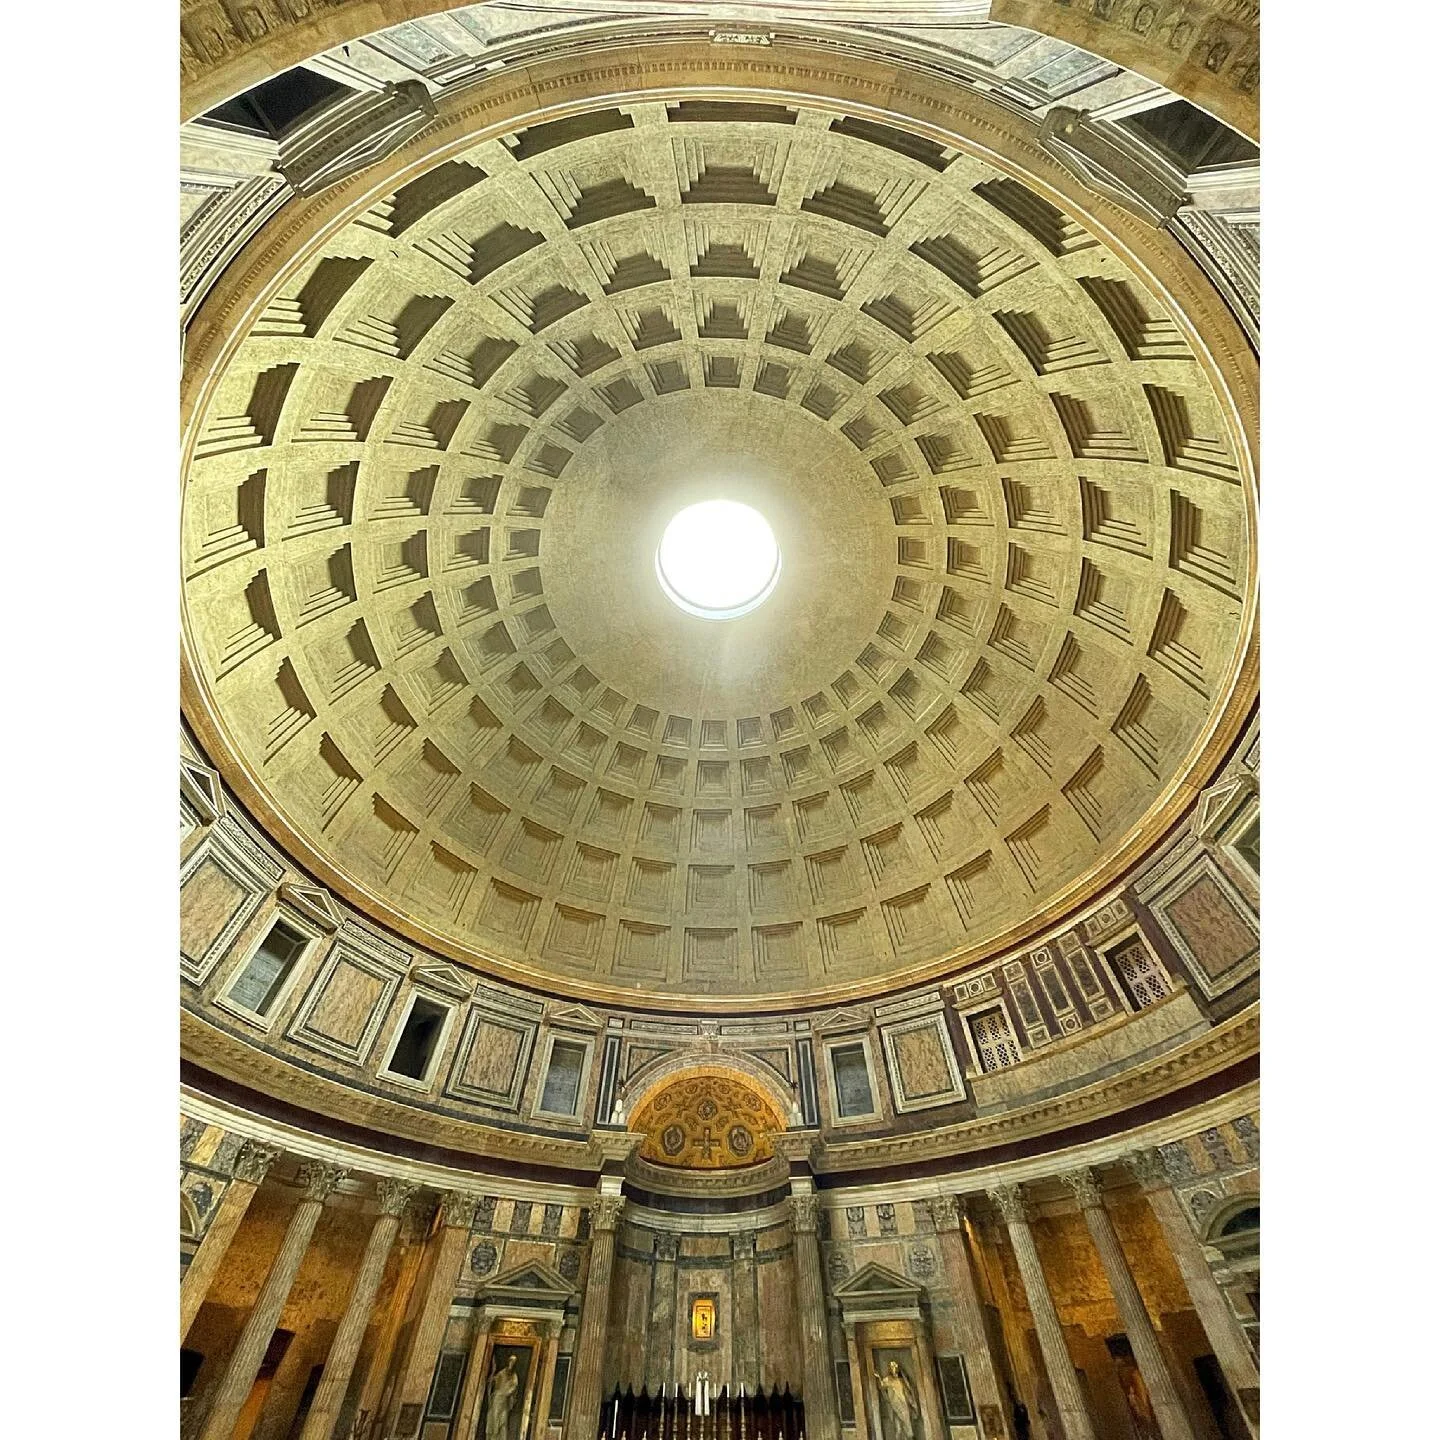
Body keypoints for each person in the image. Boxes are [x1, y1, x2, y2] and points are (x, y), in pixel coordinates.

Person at [874, 1360, 920, 1440]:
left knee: (907, 1424)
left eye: (895, 1366)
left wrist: (912, 1402)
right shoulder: (888, 1379)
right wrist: (878, 1377)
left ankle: (909, 1437)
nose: (894, 1368)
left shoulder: (902, 1380)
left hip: (904, 1403)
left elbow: (907, 1391)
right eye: (892, 1366)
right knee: (898, 1427)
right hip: (896, 1404)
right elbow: (882, 1385)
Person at [485, 1353, 522, 1440]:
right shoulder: (501, 1373)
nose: (511, 1364)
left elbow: (513, 1388)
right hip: (497, 1400)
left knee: (503, 1422)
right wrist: (492, 1378)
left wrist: (506, 1393)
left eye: (514, 1362)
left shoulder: (514, 1377)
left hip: (504, 1401)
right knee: (493, 1420)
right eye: (511, 1361)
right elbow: (493, 1381)